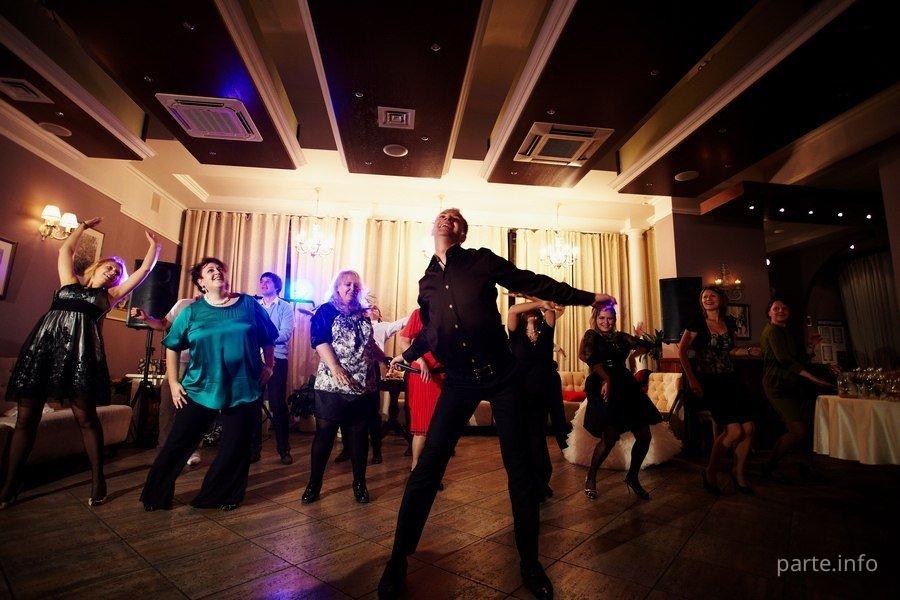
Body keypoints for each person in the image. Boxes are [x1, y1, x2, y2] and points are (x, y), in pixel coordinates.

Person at [378, 208, 614, 600]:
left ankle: (531, 564)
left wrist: (588, 297)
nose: (447, 219)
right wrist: (407, 354)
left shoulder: (480, 260)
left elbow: (531, 281)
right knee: (427, 467)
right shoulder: (427, 281)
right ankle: (397, 560)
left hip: (503, 376)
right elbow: (433, 330)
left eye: (455, 218)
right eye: (442, 216)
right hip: (458, 379)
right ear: (432, 227)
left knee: (519, 470)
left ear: (462, 233)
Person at [1, 218, 161, 508]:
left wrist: (155, 248)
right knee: (26, 420)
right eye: (110, 266)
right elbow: (66, 251)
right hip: (44, 352)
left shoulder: (110, 297)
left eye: (117, 272)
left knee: (86, 418)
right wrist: (82, 227)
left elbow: (144, 272)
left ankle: (98, 480)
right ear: (97, 266)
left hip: (79, 358)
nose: (113, 272)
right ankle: (10, 485)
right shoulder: (68, 282)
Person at [140, 257, 277, 511]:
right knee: (178, 442)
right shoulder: (192, 311)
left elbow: (268, 337)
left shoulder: (248, 304)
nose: (217, 272)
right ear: (201, 282)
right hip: (200, 387)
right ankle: (156, 495)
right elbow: (172, 344)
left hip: (243, 386)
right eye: (210, 270)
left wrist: (269, 365)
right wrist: (173, 382)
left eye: (220, 269)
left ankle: (222, 495)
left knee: (235, 446)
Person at [302, 270, 388, 505]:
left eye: (356, 286)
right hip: (332, 384)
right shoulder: (326, 310)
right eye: (347, 284)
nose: (352, 288)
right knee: (325, 435)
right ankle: (314, 484)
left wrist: (385, 359)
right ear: (338, 287)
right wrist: (336, 367)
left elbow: (368, 343)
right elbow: (319, 340)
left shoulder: (362, 313)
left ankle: (359, 483)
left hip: (361, 385)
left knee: (359, 437)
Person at [679, 286, 758, 495]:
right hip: (710, 382)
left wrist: (749, 351)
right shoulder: (697, 322)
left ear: (720, 300)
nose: (708, 299)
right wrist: (692, 380)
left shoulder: (729, 322)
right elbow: (682, 351)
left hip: (733, 380)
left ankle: (738, 473)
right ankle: (710, 472)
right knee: (734, 431)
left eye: (712, 295)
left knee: (749, 428)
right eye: (704, 296)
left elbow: (731, 351)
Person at [579, 303, 658, 502]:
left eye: (610, 318)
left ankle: (632, 477)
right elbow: (590, 359)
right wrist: (606, 379)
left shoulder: (621, 336)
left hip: (625, 383)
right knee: (609, 437)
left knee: (644, 435)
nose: (606, 322)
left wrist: (635, 347)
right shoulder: (591, 335)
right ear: (595, 318)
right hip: (601, 382)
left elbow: (648, 346)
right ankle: (591, 476)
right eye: (602, 318)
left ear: (615, 319)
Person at [759, 299, 833, 482]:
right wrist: (812, 378)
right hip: (777, 385)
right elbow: (785, 361)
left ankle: (806, 466)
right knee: (798, 431)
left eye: (784, 308)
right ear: (769, 313)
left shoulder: (785, 331)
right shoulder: (772, 331)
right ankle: (768, 467)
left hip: (790, 384)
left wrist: (811, 346)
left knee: (802, 428)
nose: (780, 311)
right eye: (776, 308)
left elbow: (797, 359)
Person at [131, 296, 203, 467]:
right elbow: (163, 324)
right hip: (179, 362)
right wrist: (147, 318)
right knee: (167, 407)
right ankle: (164, 449)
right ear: (201, 283)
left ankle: (191, 449)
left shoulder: (218, 306)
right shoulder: (184, 304)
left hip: (202, 364)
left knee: (195, 408)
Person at [334, 304, 408, 464]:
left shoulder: (382, 327)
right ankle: (347, 449)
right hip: (350, 368)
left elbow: (403, 322)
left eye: (375, 309)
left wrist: (419, 313)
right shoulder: (351, 321)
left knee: (372, 412)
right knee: (346, 409)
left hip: (370, 368)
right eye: (369, 308)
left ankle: (376, 452)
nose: (372, 309)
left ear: (379, 316)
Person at [508, 298, 564, 502]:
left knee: (537, 440)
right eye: (528, 309)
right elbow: (513, 309)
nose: (530, 312)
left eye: (534, 309)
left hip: (540, 395)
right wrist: (537, 303)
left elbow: (551, 310)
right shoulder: (515, 335)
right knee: (521, 442)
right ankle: (526, 484)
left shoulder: (546, 333)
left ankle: (540, 482)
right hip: (519, 396)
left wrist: (541, 303)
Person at [251, 272, 294, 465]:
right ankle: (254, 450)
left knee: (277, 404)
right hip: (255, 359)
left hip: (277, 358)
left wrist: (263, 339)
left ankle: (284, 450)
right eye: (261, 281)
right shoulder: (254, 305)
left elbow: (285, 333)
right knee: (254, 403)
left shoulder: (285, 307)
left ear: (277, 286)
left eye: (267, 281)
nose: (263, 284)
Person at [398, 308, 444, 475]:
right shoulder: (419, 313)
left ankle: (431, 473)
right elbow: (404, 341)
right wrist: (420, 359)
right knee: (423, 426)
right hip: (422, 376)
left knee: (439, 428)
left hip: (443, 375)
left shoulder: (448, 313)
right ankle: (416, 469)